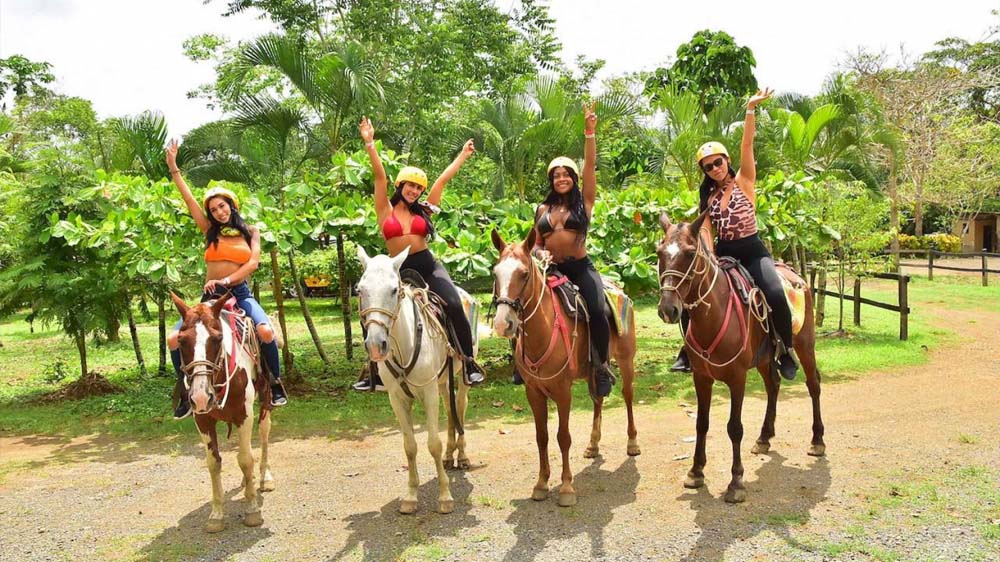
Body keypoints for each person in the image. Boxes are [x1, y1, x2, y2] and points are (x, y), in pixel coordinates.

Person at [671, 88, 798, 380]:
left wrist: (750, 110)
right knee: (692, 293)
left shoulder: (744, 180)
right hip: (723, 252)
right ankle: (687, 352)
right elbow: (704, 228)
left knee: (776, 293)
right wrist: (709, 252)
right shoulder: (710, 198)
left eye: (718, 162)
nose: (715, 168)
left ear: (727, 160)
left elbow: (748, 146)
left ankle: (786, 351)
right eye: (708, 166)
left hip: (752, 251)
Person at [354, 116, 484, 391]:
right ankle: (373, 369)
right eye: (410, 186)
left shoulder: (425, 210)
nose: (414, 191)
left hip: (426, 265)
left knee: (452, 301)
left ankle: (468, 361)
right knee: (371, 308)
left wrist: (462, 155)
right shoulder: (384, 210)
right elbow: (379, 176)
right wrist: (370, 144)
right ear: (400, 186)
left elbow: (443, 180)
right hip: (396, 268)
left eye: (419, 188)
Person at [165, 140, 287, 419]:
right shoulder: (209, 230)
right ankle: (185, 389)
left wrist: (228, 280)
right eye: (214, 210)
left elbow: (253, 263)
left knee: (266, 332)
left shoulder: (251, 232)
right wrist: (174, 169)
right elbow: (189, 201)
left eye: (223, 206)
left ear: (232, 205)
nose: (219, 212)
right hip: (209, 299)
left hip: (240, 294)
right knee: (175, 338)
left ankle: (275, 383)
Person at [523, 102, 615, 397]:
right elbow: (537, 243)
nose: (561, 179)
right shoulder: (542, 208)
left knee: (599, 310)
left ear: (573, 179)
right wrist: (539, 255)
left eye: (566, 175)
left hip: (579, 267)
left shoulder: (584, 202)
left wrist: (590, 134)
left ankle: (601, 366)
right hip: (551, 270)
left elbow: (590, 169)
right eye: (556, 175)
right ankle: (522, 364)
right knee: (522, 306)